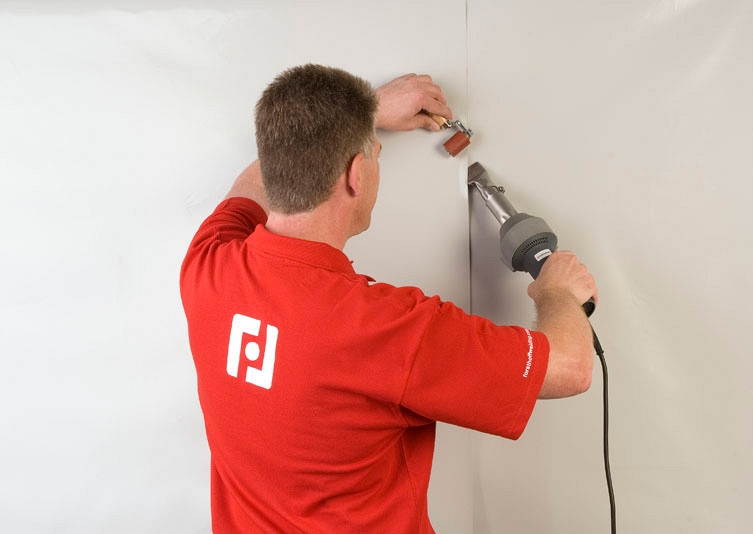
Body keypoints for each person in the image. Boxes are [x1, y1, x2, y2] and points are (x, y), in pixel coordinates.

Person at [180, 64, 597, 533]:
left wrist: (363, 116)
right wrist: (558, 290)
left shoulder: (208, 264)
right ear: (356, 174)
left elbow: (249, 185)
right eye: (375, 155)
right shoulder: (388, 330)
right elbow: (570, 368)